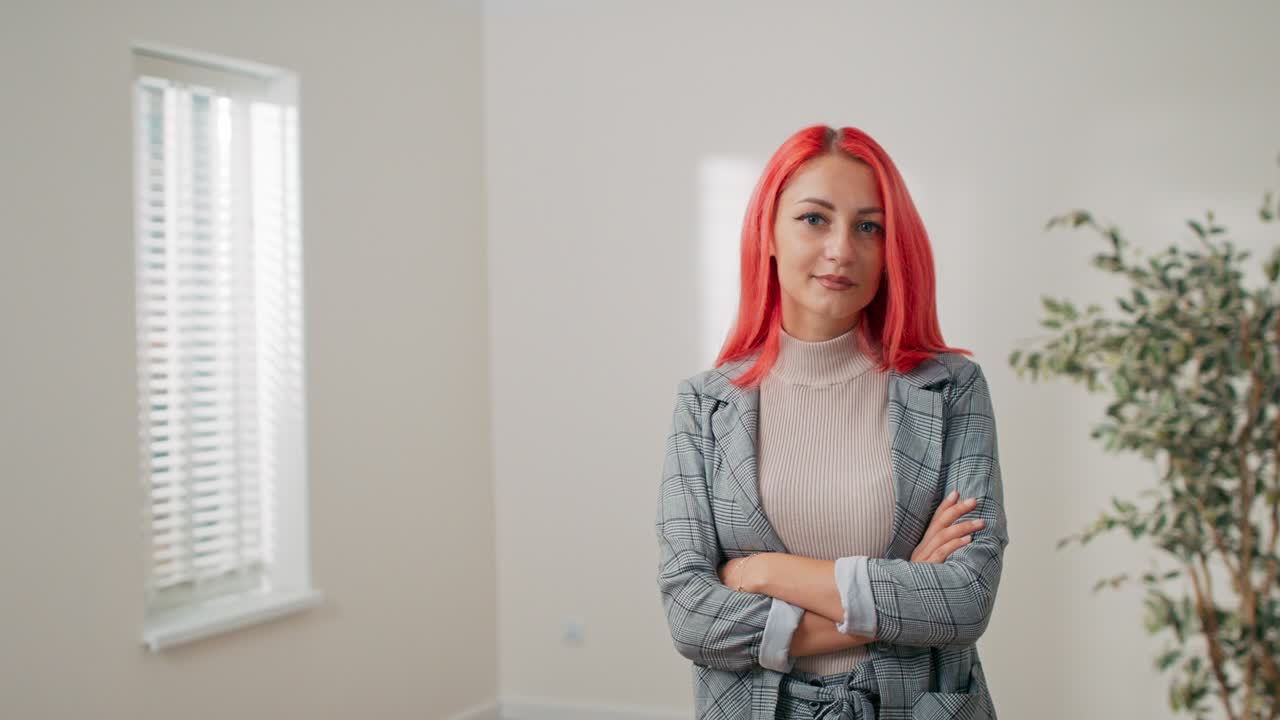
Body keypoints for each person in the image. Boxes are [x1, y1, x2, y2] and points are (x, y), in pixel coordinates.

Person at [654, 124, 1008, 720]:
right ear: (768, 231)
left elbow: (965, 601)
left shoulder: (951, 389)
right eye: (814, 218)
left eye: (869, 226)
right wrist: (904, 585)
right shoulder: (705, 405)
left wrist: (764, 572)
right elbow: (693, 618)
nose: (842, 249)